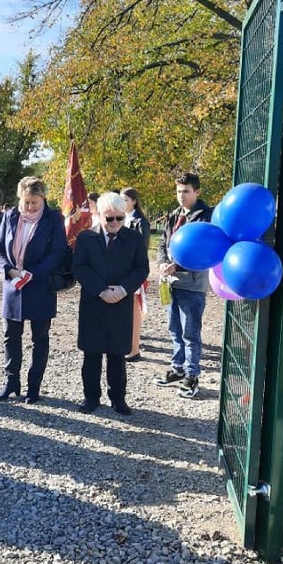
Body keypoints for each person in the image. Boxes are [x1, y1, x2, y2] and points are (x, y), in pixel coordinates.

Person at [72, 192, 149, 415]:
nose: (115, 223)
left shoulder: (134, 239)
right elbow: (80, 267)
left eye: (119, 218)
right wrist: (101, 291)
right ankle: (91, 397)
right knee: (92, 353)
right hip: (94, 303)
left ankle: (118, 399)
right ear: (100, 215)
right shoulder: (86, 238)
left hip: (120, 303)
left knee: (117, 354)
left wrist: (123, 289)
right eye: (109, 218)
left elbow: (141, 268)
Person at [0, 177, 68, 404]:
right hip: (13, 286)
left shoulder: (53, 219)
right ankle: (11, 382)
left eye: (34, 203)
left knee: (40, 338)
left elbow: (58, 252)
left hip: (40, 285)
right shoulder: (9, 216)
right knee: (11, 337)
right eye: (26, 202)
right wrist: (8, 269)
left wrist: (33, 273)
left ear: (42, 198)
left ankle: (34, 386)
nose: (30, 207)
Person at [154, 172, 213, 399]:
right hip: (171, 283)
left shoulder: (205, 217)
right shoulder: (174, 215)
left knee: (191, 333)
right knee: (174, 330)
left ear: (196, 192)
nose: (181, 196)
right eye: (178, 191)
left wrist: (176, 266)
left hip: (192, 285)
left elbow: (202, 251)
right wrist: (162, 264)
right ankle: (177, 368)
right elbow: (162, 243)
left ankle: (191, 376)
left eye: (186, 191)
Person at [120, 187, 151, 362]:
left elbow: (142, 249)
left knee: (134, 309)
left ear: (133, 201)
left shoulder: (140, 222)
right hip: (120, 271)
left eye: (125, 199)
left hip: (133, 271)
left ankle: (134, 349)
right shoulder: (121, 218)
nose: (122, 203)